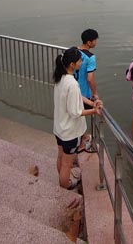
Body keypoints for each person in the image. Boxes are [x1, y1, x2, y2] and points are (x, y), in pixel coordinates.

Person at [53, 47, 102, 189]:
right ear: (72, 65)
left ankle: (63, 179)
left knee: (61, 157)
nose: (81, 63)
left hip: (59, 128)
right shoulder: (73, 84)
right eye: (80, 61)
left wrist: (91, 103)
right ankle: (65, 185)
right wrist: (94, 110)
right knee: (67, 164)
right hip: (70, 132)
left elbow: (78, 97)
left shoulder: (60, 77)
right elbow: (76, 112)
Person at [76, 28, 99, 102]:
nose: (96, 42)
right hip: (83, 93)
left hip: (70, 90)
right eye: (95, 40)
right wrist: (95, 93)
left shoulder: (72, 51)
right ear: (89, 42)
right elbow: (90, 78)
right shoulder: (90, 57)